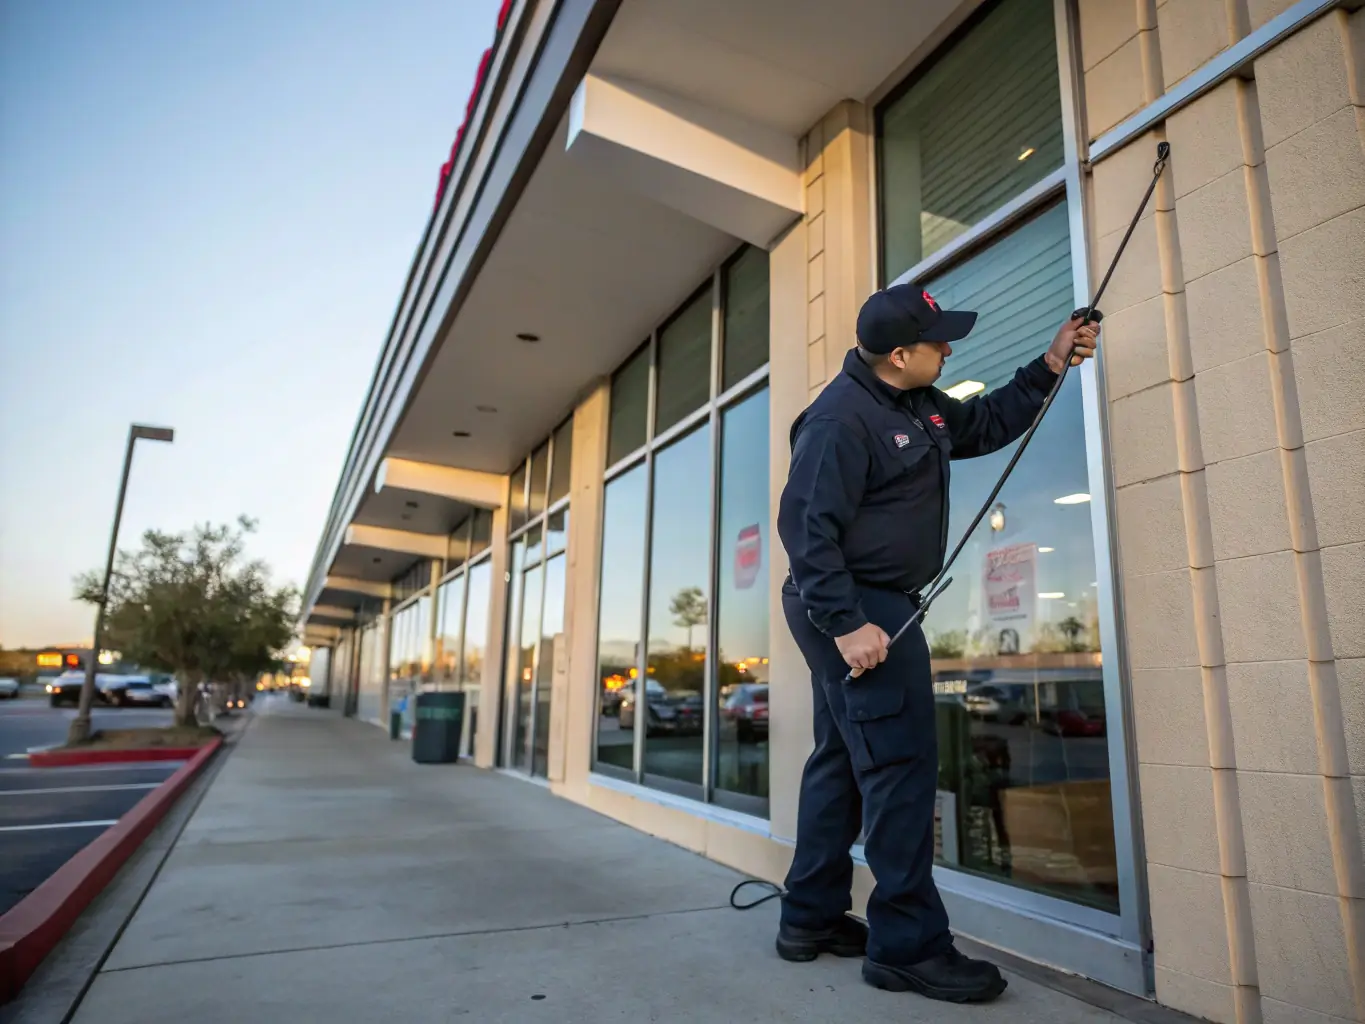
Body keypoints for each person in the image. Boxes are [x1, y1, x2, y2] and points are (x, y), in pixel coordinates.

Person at [774, 282, 1098, 1003]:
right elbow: (804, 531)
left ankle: (810, 918)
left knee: (842, 760)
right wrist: (849, 623)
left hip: (866, 607)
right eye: (937, 340)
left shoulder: (912, 401)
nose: (948, 348)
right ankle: (907, 947)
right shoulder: (838, 420)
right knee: (899, 769)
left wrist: (1048, 364)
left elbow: (981, 425)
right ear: (898, 354)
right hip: (857, 609)